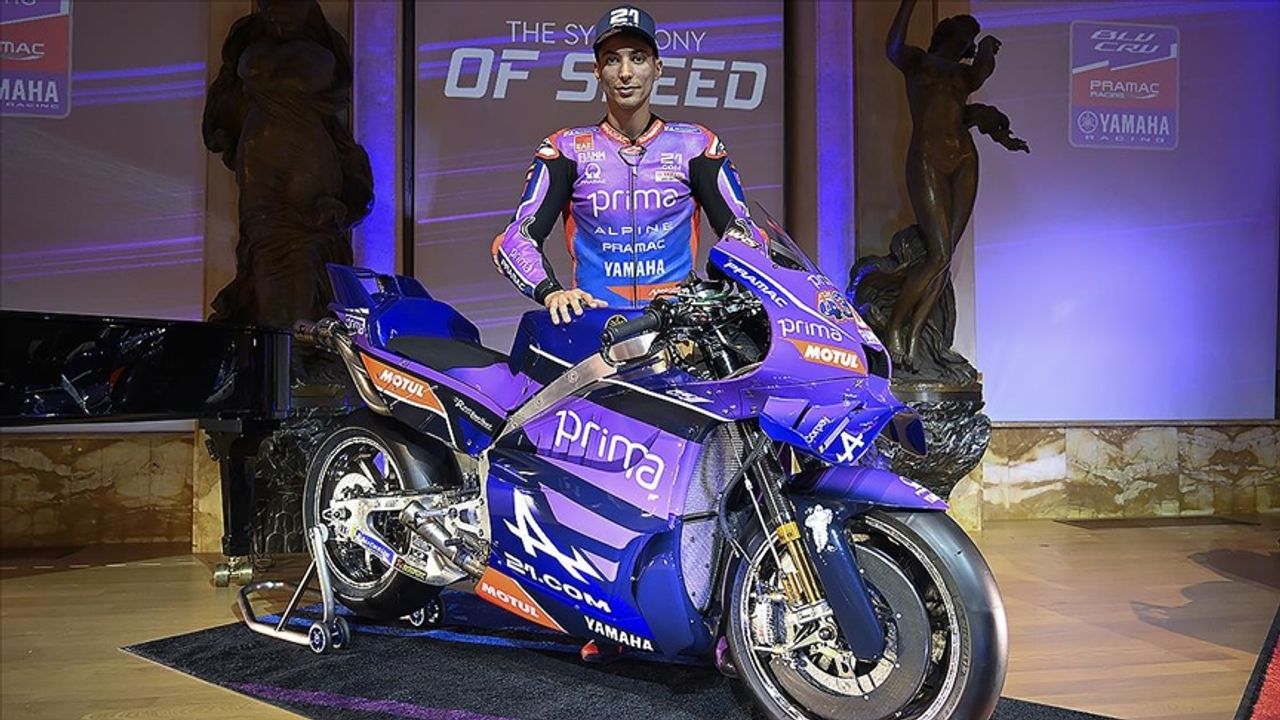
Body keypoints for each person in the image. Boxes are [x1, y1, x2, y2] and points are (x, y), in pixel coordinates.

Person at [491, 4, 766, 326]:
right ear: (597, 71)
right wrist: (551, 293)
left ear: (657, 67)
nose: (625, 73)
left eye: (637, 58)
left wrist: (725, 288)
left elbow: (744, 234)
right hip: (595, 326)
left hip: (680, 330)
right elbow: (515, 241)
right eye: (612, 60)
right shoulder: (566, 149)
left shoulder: (696, 145)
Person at [883, 0, 1025, 370]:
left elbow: (982, 74)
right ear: (946, 34)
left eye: (970, 40)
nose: (967, 43)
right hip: (928, 158)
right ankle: (895, 328)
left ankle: (917, 335)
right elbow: (893, 45)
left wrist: (989, 47)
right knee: (939, 253)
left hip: (963, 159)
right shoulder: (916, 61)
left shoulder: (964, 74)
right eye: (964, 35)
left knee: (945, 258)